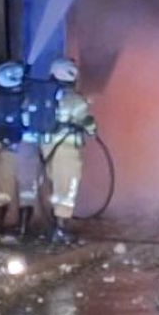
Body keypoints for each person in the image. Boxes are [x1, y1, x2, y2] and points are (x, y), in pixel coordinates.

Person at [39, 58, 98, 245]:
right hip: (67, 150)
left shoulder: (43, 97)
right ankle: (60, 230)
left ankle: (56, 226)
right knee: (67, 189)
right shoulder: (75, 100)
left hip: (47, 149)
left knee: (56, 186)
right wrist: (92, 129)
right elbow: (87, 123)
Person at [0, 61, 32, 236]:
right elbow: (32, 121)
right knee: (27, 189)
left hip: (5, 151)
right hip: (26, 150)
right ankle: (23, 230)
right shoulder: (25, 100)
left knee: (3, 189)